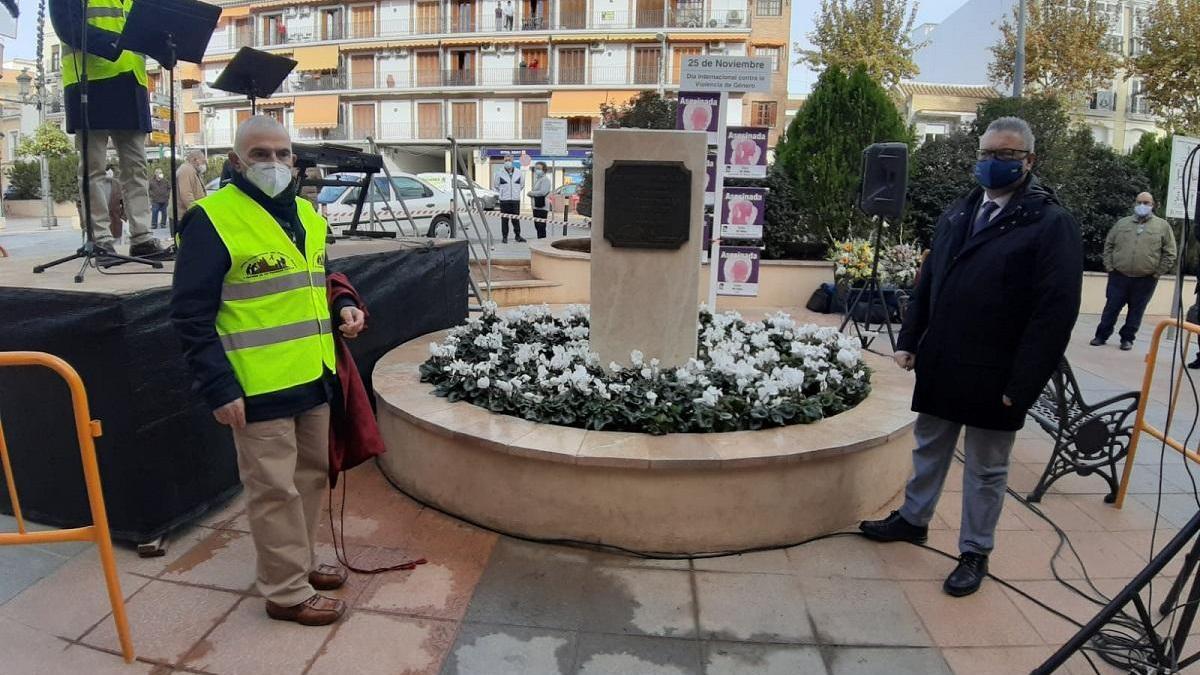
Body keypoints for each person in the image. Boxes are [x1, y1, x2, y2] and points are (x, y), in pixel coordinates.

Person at [859, 117, 1083, 598]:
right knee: (929, 446)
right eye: (986, 153)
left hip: (997, 372)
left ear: (1029, 161)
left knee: (987, 468)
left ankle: (975, 551)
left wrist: (1023, 385)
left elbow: (1054, 314)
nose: (991, 163)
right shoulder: (959, 211)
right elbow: (930, 280)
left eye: (1005, 155)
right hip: (943, 360)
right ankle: (913, 519)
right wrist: (909, 339)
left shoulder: (1049, 223)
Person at [171, 116, 365, 627]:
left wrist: (342, 304)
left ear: (296, 161)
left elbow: (316, 278)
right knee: (274, 491)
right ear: (236, 162)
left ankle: (295, 566)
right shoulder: (211, 220)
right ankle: (285, 592)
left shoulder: (308, 214)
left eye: (283, 154)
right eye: (261, 154)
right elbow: (190, 315)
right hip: (256, 387)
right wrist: (217, 386)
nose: (274, 164)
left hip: (314, 375)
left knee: (310, 479)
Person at [50, 0, 168, 259]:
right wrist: (115, 44)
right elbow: (66, 25)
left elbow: (146, 31)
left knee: (137, 168)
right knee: (93, 168)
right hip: (89, 81)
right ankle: (100, 239)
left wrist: (164, 49)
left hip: (131, 83)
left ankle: (142, 238)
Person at [1091, 192, 1176, 351]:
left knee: (1136, 311)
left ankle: (1127, 339)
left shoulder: (1162, 226)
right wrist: (1110, 267)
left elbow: (1170, 252)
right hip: (1119, 276)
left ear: (1153, 205)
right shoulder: (1122, 224)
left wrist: (1157, 272)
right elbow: (1109, 245)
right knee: (1111, 307)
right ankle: (1101, 336)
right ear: (1134, 203)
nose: (1142, 205)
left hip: (1145, 279)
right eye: (1139, 202)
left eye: (1146, 203)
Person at [494, 159, 525, 244]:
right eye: (506, 160)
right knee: (504, 220)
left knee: (516, 220)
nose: (508, 161)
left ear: (512, 162)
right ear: (504, 162)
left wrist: (516, 192)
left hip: (515, 200)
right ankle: (504, 237)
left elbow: (522, 185)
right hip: (504, 201)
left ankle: (518, 236)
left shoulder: (519, 172)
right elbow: (496, 185)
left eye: (509, 160)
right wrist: (503, 193)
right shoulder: (499, 173)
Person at [176, 149, 209, 216]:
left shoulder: (193, 170)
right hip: (183, 215)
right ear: (195, 160)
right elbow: (186, 195)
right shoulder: (186, 170)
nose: (204, 164)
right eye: (202, 161)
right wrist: (195, 213)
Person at [529, 161, 552, 239]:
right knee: (537, 226)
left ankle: (542, 243)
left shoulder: (545, 180)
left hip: (542, 207)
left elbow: (543, 192)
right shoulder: (538, 180)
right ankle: (540, 241)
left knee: (541, 227)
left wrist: (531, 193)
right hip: (536, 206)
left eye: (539, 168)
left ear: (544, 170)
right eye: (536, 168)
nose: (537, 170)